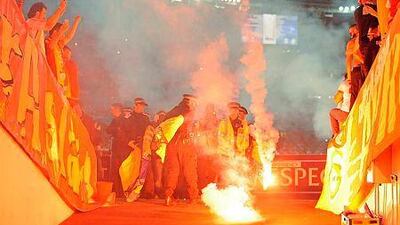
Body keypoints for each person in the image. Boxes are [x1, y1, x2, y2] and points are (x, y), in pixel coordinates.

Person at [164, 94, 200, 206]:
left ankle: (168, 196)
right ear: (189, 102)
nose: (195, 105)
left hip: (171, 145)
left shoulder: (173, 111)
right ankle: (193, 197)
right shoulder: (190, 113)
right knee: (190, 171)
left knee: (173, 171)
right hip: (186, 145)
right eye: (194, 103)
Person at [46, 16, 81, 96]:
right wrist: (62, 30)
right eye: (62, 33)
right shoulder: (48, 41)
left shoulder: (59, 45)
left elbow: (69, 37)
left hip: (60, 83)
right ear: (55, 32)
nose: (63, 35)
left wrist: (76, 22)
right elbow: (51, 46)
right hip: (51, 81)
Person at [106, 103, 130, 198]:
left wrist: (116, 131)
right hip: (118, 149)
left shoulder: (121, 120)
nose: (111, 111)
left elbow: (111, 130)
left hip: (121, 150)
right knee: (117, 171)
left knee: (118, 171)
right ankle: (118, 191)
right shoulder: (116, 120)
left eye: (113, 109)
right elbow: (108, 130)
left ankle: (119, 191)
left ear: (117, 110)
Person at [345, 25, 365, 109]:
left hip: (367, 69)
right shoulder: (352, 43)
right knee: (356, 95)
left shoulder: (365, 37)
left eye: (352, 31)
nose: (351, 33)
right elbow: (348, 60)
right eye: (350, 33)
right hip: (358, 70)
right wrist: (349, 77)